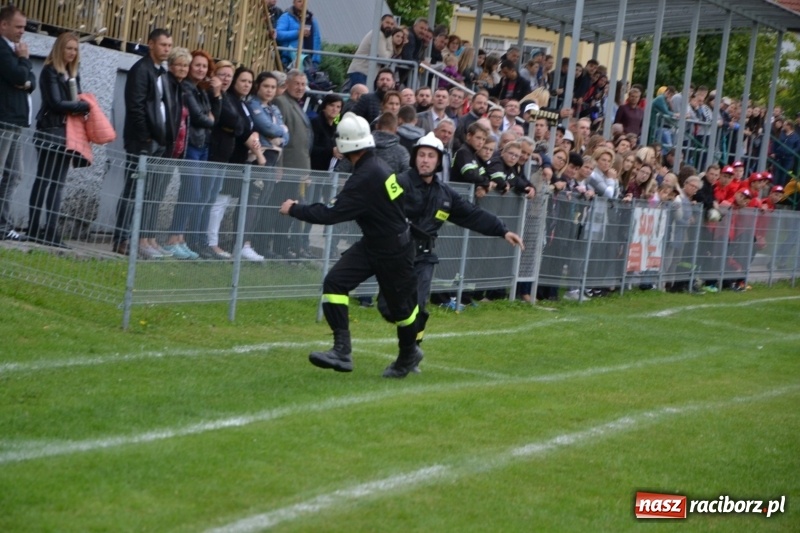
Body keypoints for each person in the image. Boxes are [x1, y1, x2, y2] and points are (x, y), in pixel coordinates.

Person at [279, 112, 422, 378]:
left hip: (393, 251)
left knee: (401, 311)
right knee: (335, 282)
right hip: (376, 244)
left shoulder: (365, 176)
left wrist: (295, 209)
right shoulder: (376, 166)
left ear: (345, 145)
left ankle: (408, 355)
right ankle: (341, 351)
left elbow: (330, 214)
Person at [379, 132, 524, 345]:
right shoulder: (399, 183)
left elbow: (472, 215)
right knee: (389, 309)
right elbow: (378, 207)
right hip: (396, 257)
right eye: (421, 155)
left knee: (417, 307)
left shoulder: (445, 193)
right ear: (414, 158)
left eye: (430, 156)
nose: (425, 160)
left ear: (438, 161)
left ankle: (410, 352)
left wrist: (502, 230)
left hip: (423, 258)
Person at [113, 28, 175, 258]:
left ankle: (139, 239)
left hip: (159, 141)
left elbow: (165, 107)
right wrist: (145, 137)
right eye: (163, 45)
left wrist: (165, 137)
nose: (167, 49)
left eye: (169, 45)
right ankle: (121, 239)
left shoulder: (162, 71)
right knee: (132, 191)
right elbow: (136, 107)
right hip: (142, 141)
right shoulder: (141, 69)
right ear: (151, 44)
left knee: (148, 193)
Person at [27, 31, 87, 248]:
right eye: (68, 48)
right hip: (51, 130)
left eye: (75, 49)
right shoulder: (50, 71)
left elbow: (75, 99)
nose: (72, 53)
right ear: (59, 48)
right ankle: (34, 228)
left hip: (68, 133)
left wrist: (81, 106)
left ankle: (51, 231)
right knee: (45, 180)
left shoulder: (73, 73)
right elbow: (56, 102)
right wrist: (82, 106)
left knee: (58, 183)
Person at [163, 49, 221, 258]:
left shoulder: (201, 91)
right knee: (192, 192)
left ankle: (179, 238)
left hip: (203, 146)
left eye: (204, 66)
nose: (200, 69)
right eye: (197, 65)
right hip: (191, 147)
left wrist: (216, 96)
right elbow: (199, 118)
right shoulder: (186, 89)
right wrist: (210, 119)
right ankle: (172, 238)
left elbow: (216, 117)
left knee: (194, 194)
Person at [0, 5, 36, 241]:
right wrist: (23, 62)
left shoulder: (14, 50)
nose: (23, 31)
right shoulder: (4, 50)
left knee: (14, 174)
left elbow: (31, 81)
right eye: (18, 27)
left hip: (16, 120)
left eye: (24, 27)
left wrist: (23, 72)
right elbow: (22, 76)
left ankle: (3, 225)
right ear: (3, 25)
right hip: (4, 120)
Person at [346, 14, 395, 88]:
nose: (389, 26)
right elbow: (384, 58)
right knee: (360, 97)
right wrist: (390, 51)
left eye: (392, 24)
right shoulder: (378, 34)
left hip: (366, 73)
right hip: (361, 71)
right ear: (380, 22)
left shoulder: (385, 36)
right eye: (387, 23)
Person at [275, 0, 322, 70]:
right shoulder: (286, 17)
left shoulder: (312, 19)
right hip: (290, 59)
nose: (302, 4)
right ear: (294, 2)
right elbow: (278, 34)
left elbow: (317, 40)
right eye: (299, 1)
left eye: (304, 1)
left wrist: (316, 60)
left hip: (309, 61)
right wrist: (297, 33)